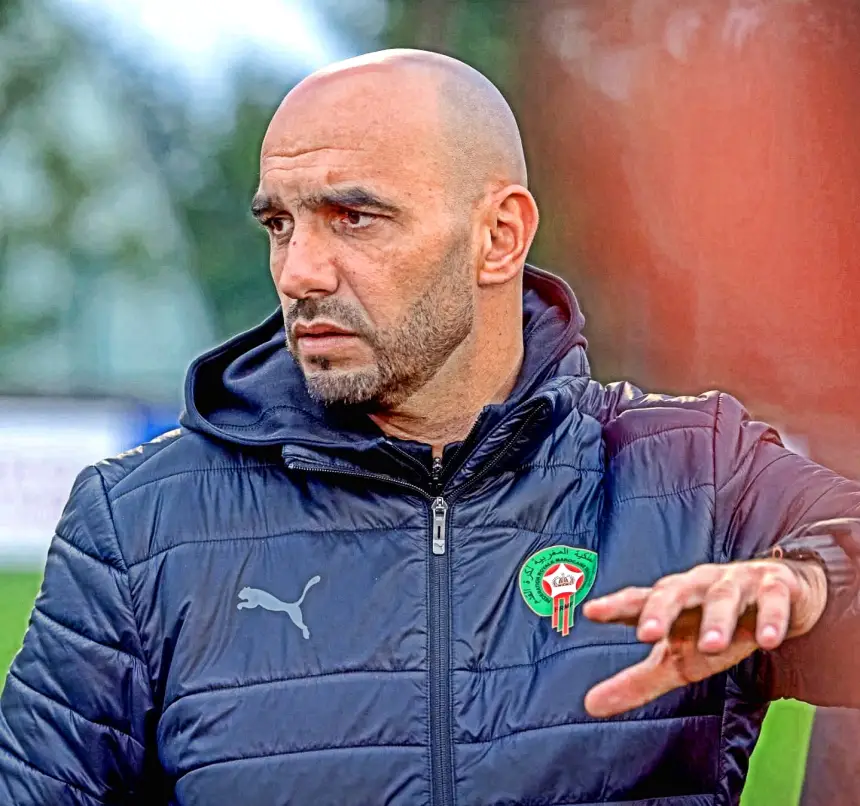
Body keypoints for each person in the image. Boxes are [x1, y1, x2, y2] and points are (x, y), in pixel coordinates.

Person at [1, 48, 858, 806]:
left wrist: (816, 584)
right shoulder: (139, 523)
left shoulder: (697, 472)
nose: (299, 271)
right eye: (279, 223)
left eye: (354, 217)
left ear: (499, 235)